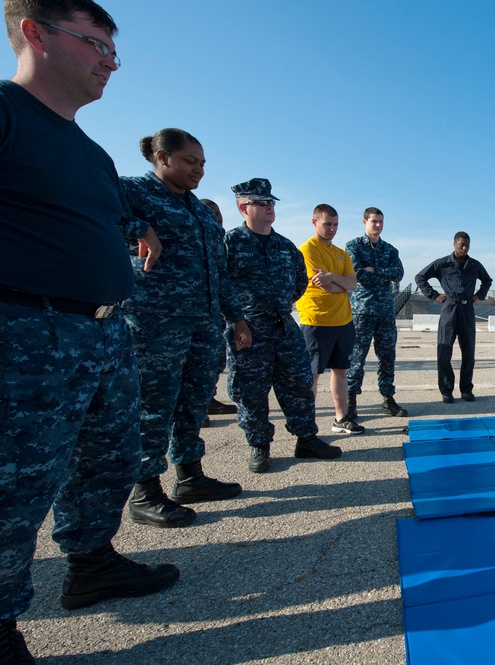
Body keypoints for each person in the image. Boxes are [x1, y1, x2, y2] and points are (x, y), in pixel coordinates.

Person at [0, 2, 179, 660]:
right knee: (12, 488)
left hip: (103, 335)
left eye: (113, 50)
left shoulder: (91, 153)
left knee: (107, 462)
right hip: (26, 336)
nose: (111, 61)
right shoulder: (7, 115)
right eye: (95, 44)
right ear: (35, 33)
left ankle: (91, 561)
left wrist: (142, 230)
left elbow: (109, 223)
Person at [118, 129, 251, 528]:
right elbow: (87, 209)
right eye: (191, 162)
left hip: (203, 322)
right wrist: (137, 227)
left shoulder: (197, 209)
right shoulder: (132, 191)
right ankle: (145, 491)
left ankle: (190, 475)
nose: (199, 170)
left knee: (193, 401)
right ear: (161, 157)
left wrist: (237, 317)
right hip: (155, 321)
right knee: (154, 405)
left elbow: (219, 272)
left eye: (203, 163)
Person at [224, 178, 342, 473]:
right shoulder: (229, 243)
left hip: (283, 326)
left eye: (271, 203)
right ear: (243, 207)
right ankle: (259, 445)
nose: (268, 208)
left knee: (299, 384)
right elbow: (219, 284)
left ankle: (306, 439)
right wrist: (238, 317)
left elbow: (299, 283)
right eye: (261, 203)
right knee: (251, 389)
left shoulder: (285, 247)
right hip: (247, 328)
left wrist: (280, 303)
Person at [295, 204, 364, 434]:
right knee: (312, 374)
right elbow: (323, 285)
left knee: (341, 371)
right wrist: (338, 283)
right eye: (327, 224)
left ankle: (341, 419)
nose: (332, 229)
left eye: (335, 225)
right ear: (314, 222)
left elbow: (352, 284)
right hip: (316, 321)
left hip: (343, 321)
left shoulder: (341, 253)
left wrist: (334, 278)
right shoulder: (307, 250)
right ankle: (307, 426)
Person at [345, 207, 408, 419]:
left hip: (385, 312)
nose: (378, 225)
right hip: (362, 311)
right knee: (357, 357)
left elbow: (398, 273)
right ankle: (351, 400)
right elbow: (357, 274)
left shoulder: (390, 250)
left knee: (387, 356)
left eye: (381, 221)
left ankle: (388, 399)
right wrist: (379, 276)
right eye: (374, 221)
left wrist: (375, 271)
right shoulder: (353, 246)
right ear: (364, 222)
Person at [414, 231, 493, 402]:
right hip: (449, 309)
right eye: (461, 245)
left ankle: (466, 390)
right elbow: (420, 277)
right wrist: (435, 295)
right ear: (454, 244)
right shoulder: (442, 264)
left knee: (468, 353)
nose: (464, 248)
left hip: (467, 310)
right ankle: (446, 390)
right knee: (444, 352)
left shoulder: (474, 265)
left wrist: (478, 295)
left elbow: (487, 280)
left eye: (467, 245)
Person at [200, 197, 239, 420]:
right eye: (211, 213)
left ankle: (209, 400)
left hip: (223, 312)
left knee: (217, 359)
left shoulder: (225, 241)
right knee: (198, 364)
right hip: (201, 311)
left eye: (218, 213)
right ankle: (197, 408)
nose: (217, 218)